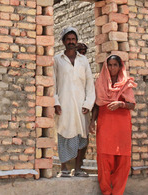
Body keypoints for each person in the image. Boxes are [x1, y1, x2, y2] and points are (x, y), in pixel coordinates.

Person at [89, 55, 137, 194]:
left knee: (122, 163)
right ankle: (106, 192)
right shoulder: (100, 83)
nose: (112, 68)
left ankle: (117, 192)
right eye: (109, 65)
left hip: (122, 127)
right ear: (106, 66)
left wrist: (121, 104)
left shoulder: (126, 83)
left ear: (120, 66)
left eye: (115, 65)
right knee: (104, 160)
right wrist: (92, 122)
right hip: (105, 126)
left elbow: (132, 105)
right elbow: (97, 105)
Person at [54, 27, 95, 177]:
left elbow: (90, 84)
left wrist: (88, 104)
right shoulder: (57, 60)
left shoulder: (83, 60)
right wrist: (55, 102)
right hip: (64, 105)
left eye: (73, 39)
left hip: (81, 106)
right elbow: (53, 82)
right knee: (63, 134)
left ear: (76, 41)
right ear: (64, 41)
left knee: (81, 137)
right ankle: (63, 168)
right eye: (68, 39)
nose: (71, 42)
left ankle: (77, 169)